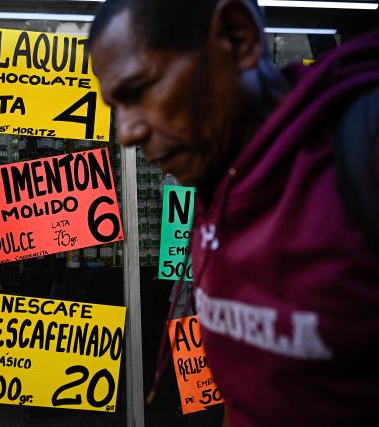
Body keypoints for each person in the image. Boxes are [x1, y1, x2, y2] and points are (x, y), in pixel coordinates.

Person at [89, 0, 379, 426]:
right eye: (117, 106)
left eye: (141, 90)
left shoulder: (363, 150)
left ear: (237, 38)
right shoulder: (217, 183)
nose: (128, 131)